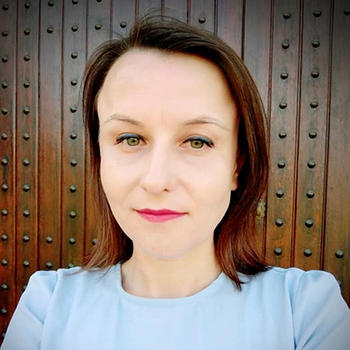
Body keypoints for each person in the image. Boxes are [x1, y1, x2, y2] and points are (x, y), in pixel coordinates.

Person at [1, 13, 349, 350]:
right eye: (130, 139)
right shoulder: (48, 308)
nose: (157, 180)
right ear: (100, 156)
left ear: (236, 166)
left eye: (197, 141)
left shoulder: (305, 311)